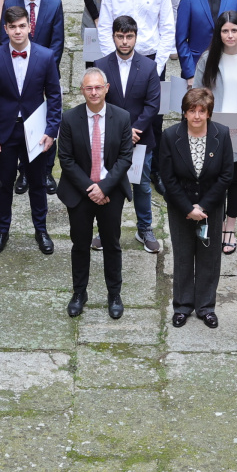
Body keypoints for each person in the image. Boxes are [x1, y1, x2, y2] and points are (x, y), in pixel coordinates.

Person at [0, 6, 62, 255]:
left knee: (38, 183)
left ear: (29, 27)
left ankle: (41, 230)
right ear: (5, 29)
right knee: (3, 184)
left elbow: (55, 97)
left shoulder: (46, 56)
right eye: (12, 27)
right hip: (5, 132)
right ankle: (2, 230)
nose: (17, 31)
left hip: (35, 132)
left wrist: (51, 131)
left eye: (21, 26)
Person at [58, 69, 137, 318]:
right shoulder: (70, 118)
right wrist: (90, 189)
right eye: (88, 88)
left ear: (106, 88)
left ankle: (114, 294)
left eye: (98, 87)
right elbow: (66, 159)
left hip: (110, 192)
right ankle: (79, 293)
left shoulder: (122, 117)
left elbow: (125, 158)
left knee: (112, 245)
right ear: (82, 90)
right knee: (80, 245)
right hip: (80, 193)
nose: (93, 92)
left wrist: (103, 187)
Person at [161, 86, 233, 328]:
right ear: (184, 113)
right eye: (191, 111)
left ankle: (205, 307)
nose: (197, 116)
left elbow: (226, 175)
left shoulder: (221, 135)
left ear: (209, 113)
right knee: (182, 256)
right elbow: (167, 178)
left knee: (209, 257)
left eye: (202, 111)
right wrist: (187, 208)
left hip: (210, 208)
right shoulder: (171, 136)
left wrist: (202, 206)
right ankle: (182, 306)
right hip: (180, 207)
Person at [194, 10, 237, 256]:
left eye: (234, 30)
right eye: (225, 31)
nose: (230, 35)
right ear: (219, 33)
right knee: (211, 179)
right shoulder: (208, 58)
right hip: (213, 130)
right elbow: (197, 94)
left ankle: (229, 227)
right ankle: (211, 223)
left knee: (235, 180)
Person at [96, 16, 163, 254]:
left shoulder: (148, 66)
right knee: (107, 182)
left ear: (136, 36)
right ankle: (105, 229)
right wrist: (121, 132)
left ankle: (144, 228)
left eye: (129, 36)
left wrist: (135, 130)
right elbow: (97, 101)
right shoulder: (100, 65)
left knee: (142, 186)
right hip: (108, 137)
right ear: (113, 36)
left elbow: (153, 104)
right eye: (120, 36)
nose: (125, 41)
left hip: (141, 138)